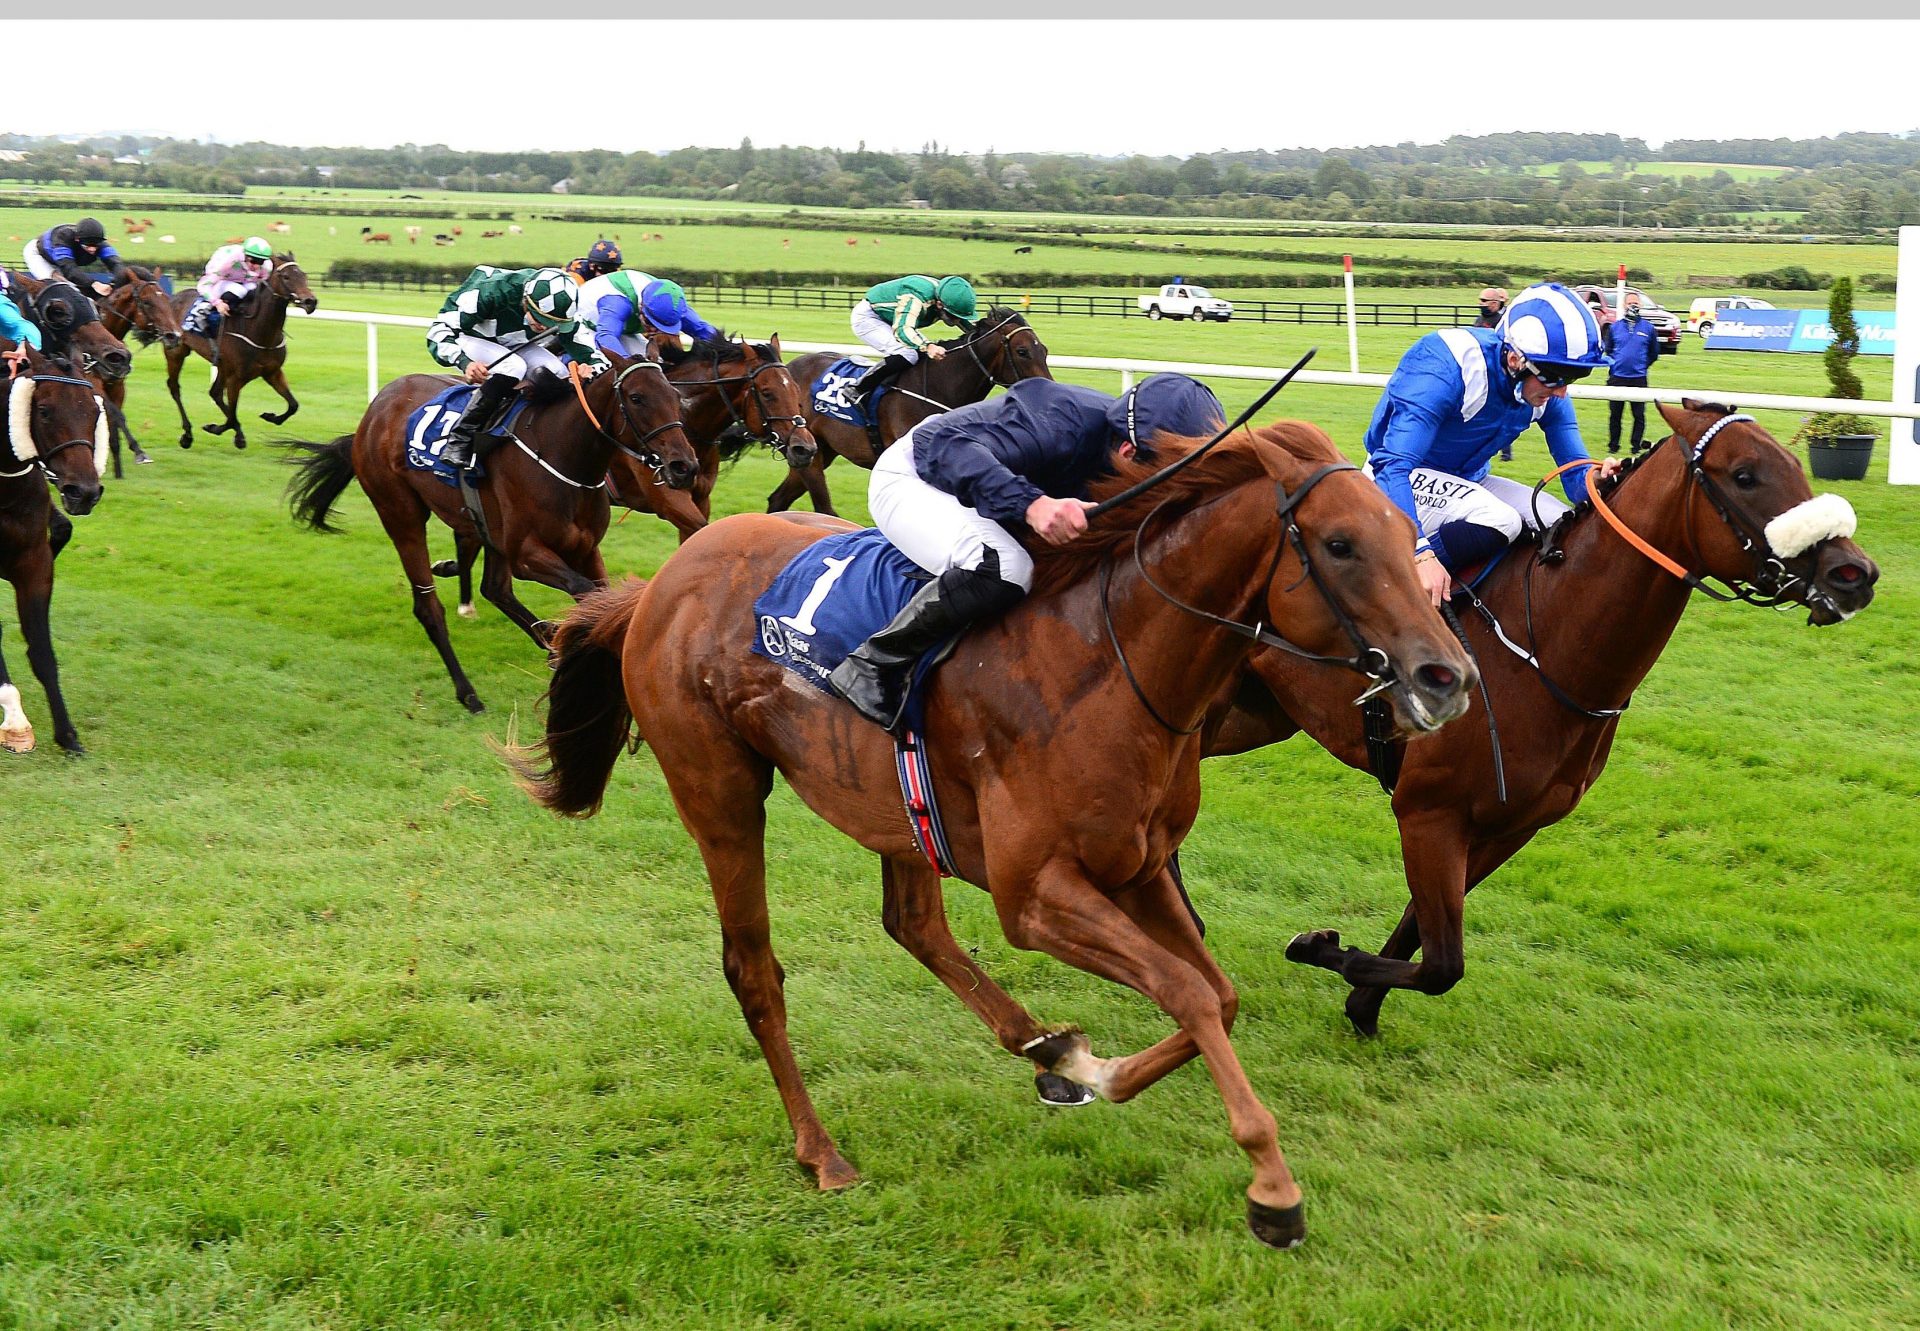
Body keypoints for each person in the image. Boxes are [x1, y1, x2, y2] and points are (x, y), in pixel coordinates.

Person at [827, 372, 1225, 732]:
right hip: (922, 471)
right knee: (1005, 566)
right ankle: (872, 663)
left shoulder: (1128, 443)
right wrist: (1033, 505)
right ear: (1126, 452)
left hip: (990, 472)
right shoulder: (1058, 422)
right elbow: (942, 445)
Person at [1363, 282, 1622, 608]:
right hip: (1393, 480)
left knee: (1564, 525)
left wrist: (1597, 479)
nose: (1561, 393)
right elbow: (1393, 464)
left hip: (1467, 479)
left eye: (1573, 378)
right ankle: (1396, 590)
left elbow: (1575, 476)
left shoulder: (1544, 388)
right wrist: (1419, 553)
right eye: (1557, 376)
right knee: (1501, 520)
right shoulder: (1445, 366)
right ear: (1515, 360)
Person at [425, 266, 596, 471]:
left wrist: (592, 367)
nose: (545, 326)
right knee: (513, 367)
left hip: (510, 342)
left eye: (550, 323)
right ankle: (459, 439)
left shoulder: (563, 308)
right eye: (540, 320)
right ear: (526, 301)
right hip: (469, 337)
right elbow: (438, 331)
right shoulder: (491, 291)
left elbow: (588, 352)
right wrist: (465, 363)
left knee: (556, 371)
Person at [848, 274, 981, 405]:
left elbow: (972, 328)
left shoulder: (948, 297)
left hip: (894, 318)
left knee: (919, 352)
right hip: (870, 318)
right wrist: (929, 346)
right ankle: (857, 389)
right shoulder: (917, 297)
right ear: (939, 304)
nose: (957, 321)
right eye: (953, 316)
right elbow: (902, 330)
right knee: (908, 354)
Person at [573, 269, 718, 364]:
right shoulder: (618, 304)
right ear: (642, 308)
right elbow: (605, 337)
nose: (654, 330)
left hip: (622, 327)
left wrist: (732, 351)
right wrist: (628, 365)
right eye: (651, 323)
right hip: (586, 326)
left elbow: (702, 329)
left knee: (656, 366)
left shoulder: (672, 303)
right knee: (607, 365)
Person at [1602, 294, 1662, 454]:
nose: (1632, 306)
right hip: (1617, 377)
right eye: (1629, 303)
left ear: (1640, 305)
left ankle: (1635, 446)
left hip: (1638, 378)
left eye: (1635, 303)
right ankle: (1613, 446)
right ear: (1624, 305)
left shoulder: (1648, 328)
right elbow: (1608, 351)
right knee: (1615, 415)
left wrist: (1642, 365)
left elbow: (1654, 353)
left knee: (1639, 415)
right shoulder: (1615, 328)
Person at [182, 237, 275, 339]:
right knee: (238, 290)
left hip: (246, 281)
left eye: (260, 262)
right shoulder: (228, 261)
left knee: (253, 290)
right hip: (222, 280)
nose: (256, 266)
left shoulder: (267, 266)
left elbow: (263, 288)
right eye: (253, 261)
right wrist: (217, 303)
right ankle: (201, 311)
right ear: (245, 255)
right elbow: (203, 285)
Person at [22, 218, 127, 296]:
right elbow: (69, 270)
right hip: (38, 255)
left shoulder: (99, 243)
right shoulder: (63, 237)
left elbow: (116, 263)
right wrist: (94, 284)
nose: (93, 249)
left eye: (95, 245)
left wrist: (115, 283)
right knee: (61, 288)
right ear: (77, 239)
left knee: (80, 291)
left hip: (60, 262)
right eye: (88, 245)